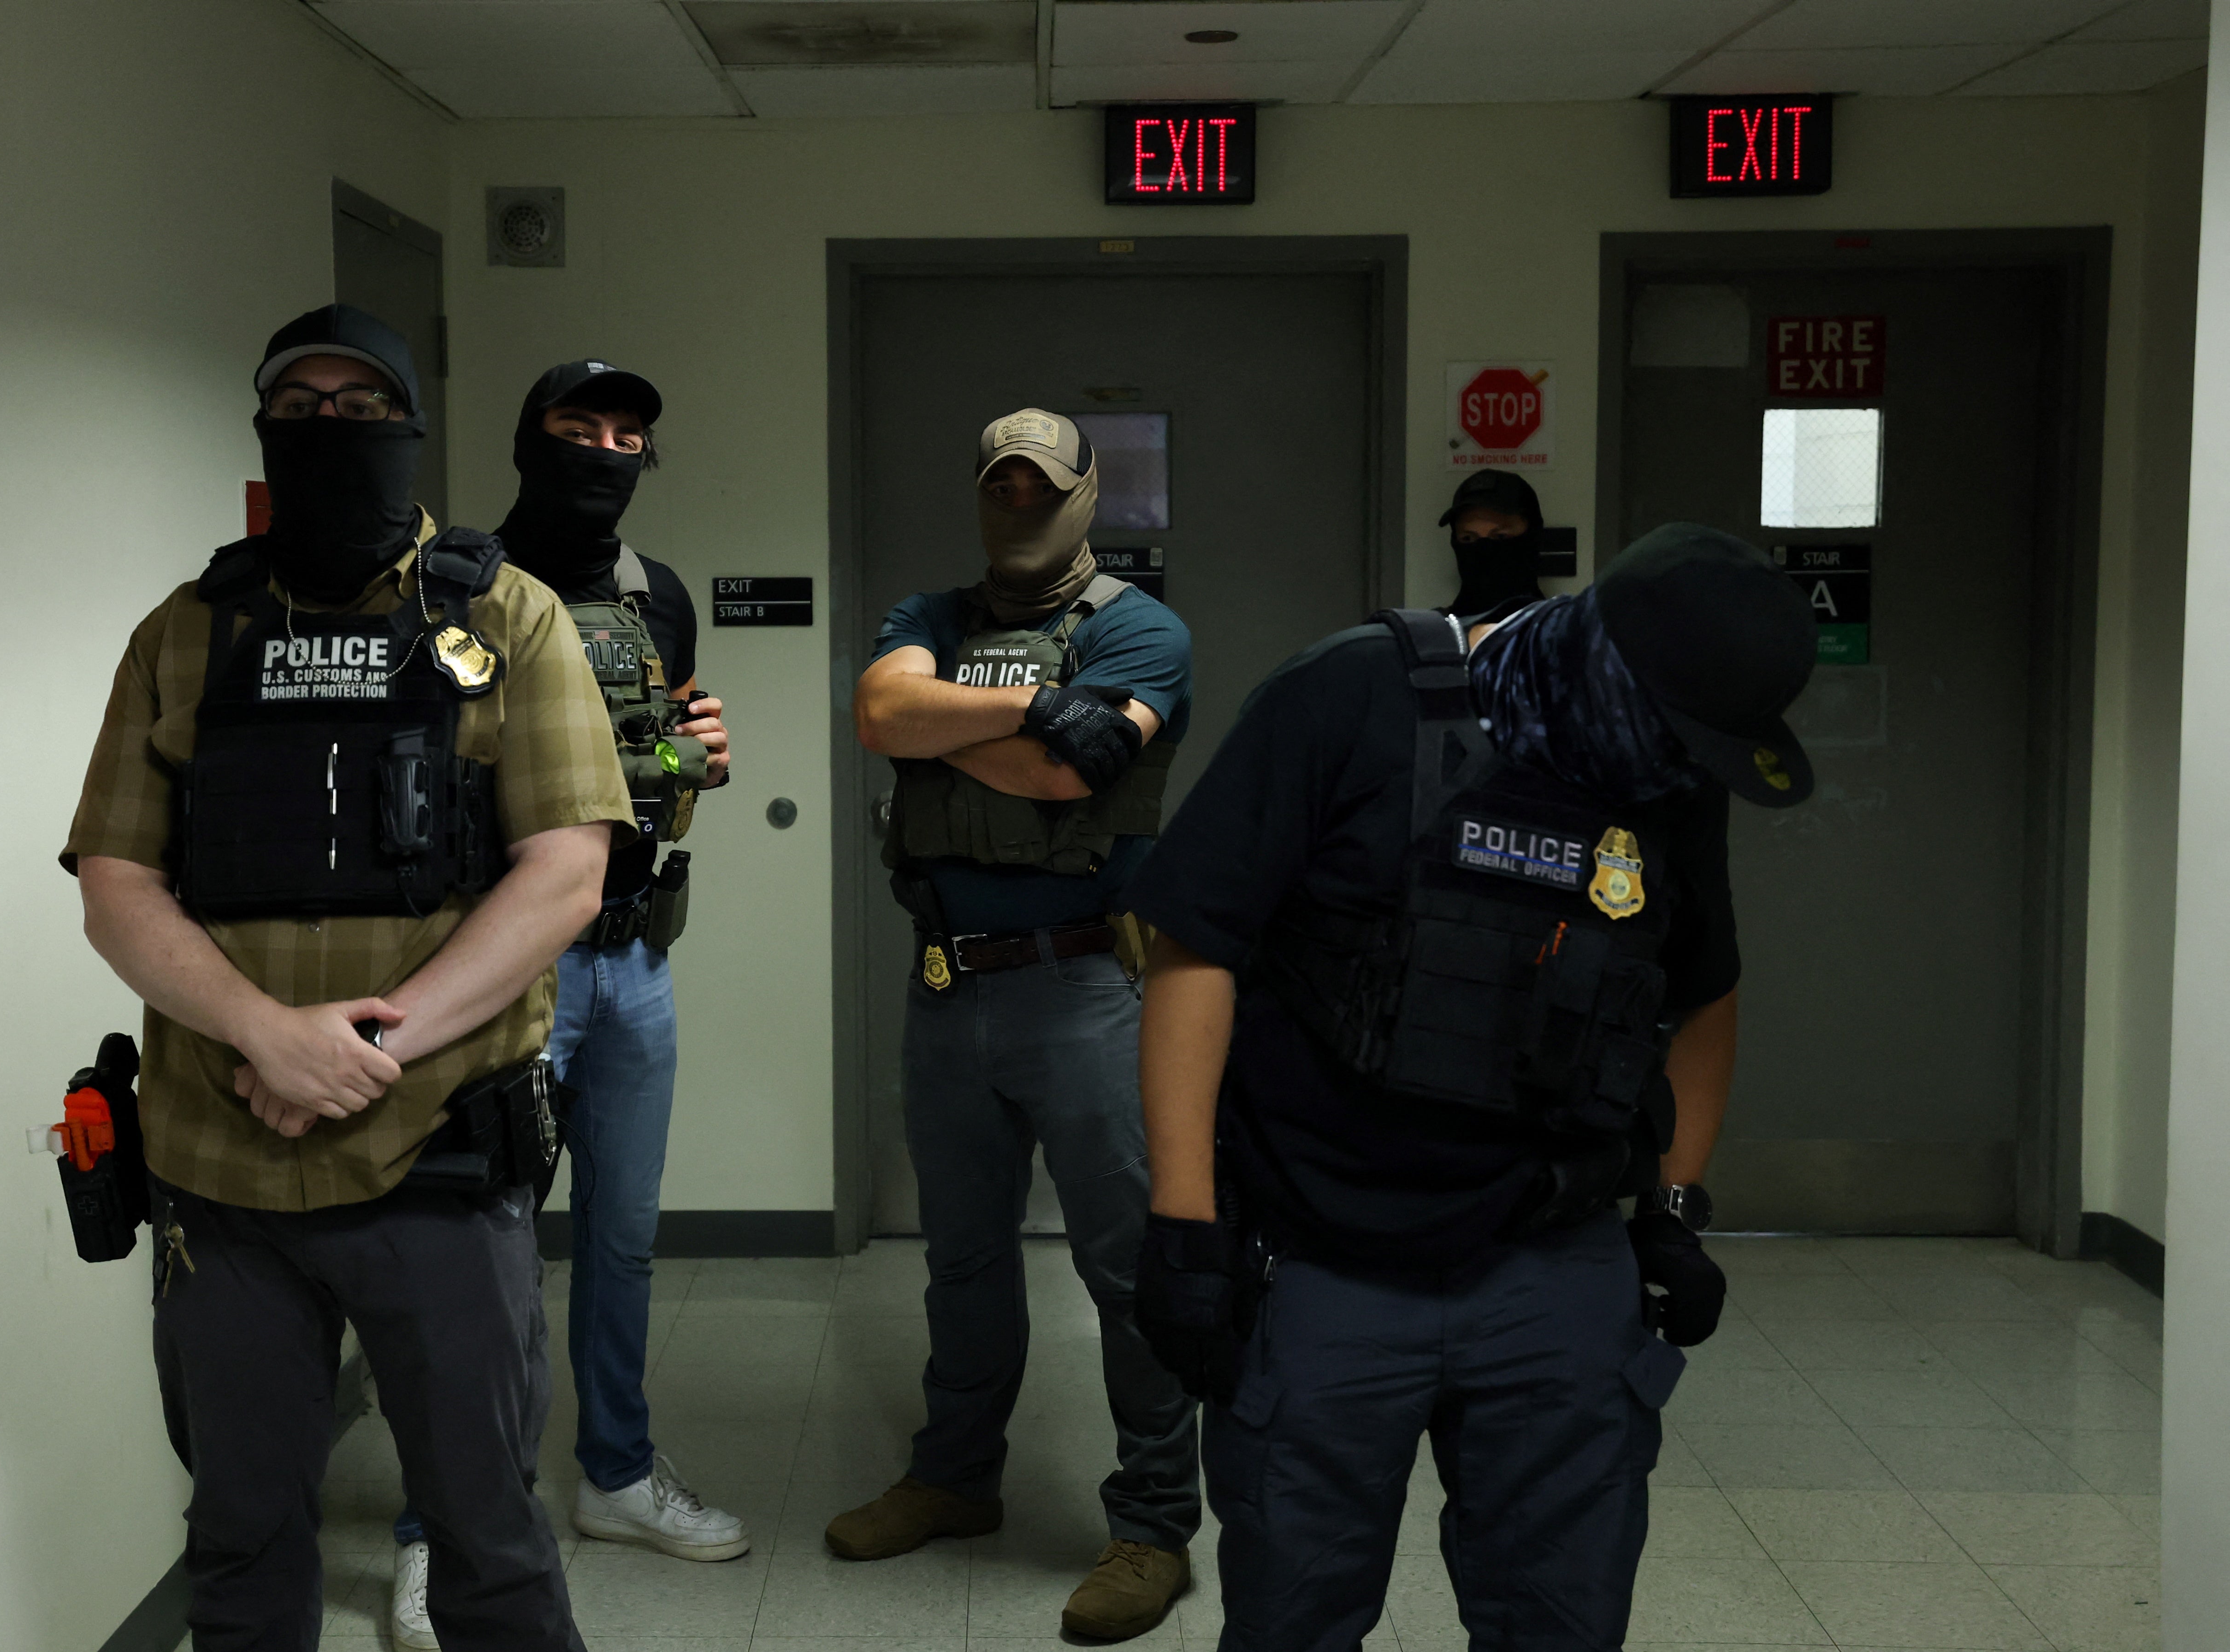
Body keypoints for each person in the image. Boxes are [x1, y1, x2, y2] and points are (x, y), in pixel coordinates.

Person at [1127, 523, 1817, 1651]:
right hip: (1323, 1260)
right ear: (1604, 664)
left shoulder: (1667, 767)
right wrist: (1183, 1215)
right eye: (1673, 734)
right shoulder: (1346, 698)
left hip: (1553, 1264)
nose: (1678, 763)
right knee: (1294, 1615)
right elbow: (1194, 947)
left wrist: (1675, 1207)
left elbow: (1702, 990)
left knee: (1558, 1616)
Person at [64, 303, 631, 1652]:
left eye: (360, 407)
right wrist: (267, 1031)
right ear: (266, 426)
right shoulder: (186, 632)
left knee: (490, 1545)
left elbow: (565, 870)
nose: (331, 430)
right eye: (302, 408)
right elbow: (115, 885)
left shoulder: (511, 615)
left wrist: (368, 1043)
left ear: (411, 425)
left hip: (435, 1160)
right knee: (243, 1547)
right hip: (225, 1185)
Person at [386, 356, 741, 1646]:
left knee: (624, 1241)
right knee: (473, 1260)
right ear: (528, 439)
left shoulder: (656, 593)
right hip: (504, 967)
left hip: (634, 960)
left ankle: (614, 1471)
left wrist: (694, 757)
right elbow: (463, 768)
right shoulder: (461, 585)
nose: (605, 448)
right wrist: (652, 750)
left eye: (628, 432)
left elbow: (662, 778)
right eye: (577, 426)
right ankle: (436, 1528)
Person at [831, 409, 1199, 1641]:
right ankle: (954, 1474)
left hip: (1083, 988)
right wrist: (1035, 710)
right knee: (964, 1258)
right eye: (1000, 483)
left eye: (1041, 484)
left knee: (1125, 1270)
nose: (1019, 502)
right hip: (946, 987)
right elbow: (882, 715)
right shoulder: (926, 615)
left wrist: (955, 728)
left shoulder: (1140, 627)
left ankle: (1151, 1522)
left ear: (1084, 494)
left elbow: (1069, 781)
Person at [1442, 467, 1547, 621]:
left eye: (1501, 537)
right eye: (1468, 539)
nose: (1484, 550)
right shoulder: (1437, 636)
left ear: (1533, 536)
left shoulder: (1561, 637)